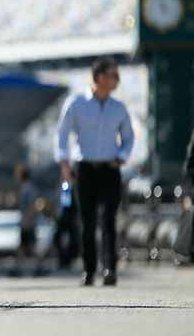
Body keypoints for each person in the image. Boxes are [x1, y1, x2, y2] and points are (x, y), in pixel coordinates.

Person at [55, 57, 133, 286]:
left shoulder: (119, 108)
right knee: (87, 222)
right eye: (113, 75)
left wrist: (122, 156)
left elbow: (128, 138)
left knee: (109, 220)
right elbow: (62, 134)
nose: (117, 80)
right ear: (100, 78)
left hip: (110, 169)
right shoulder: (76, 104)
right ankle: (89, 270)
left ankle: (110, 269)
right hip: (85, 169)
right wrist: (64, 163)